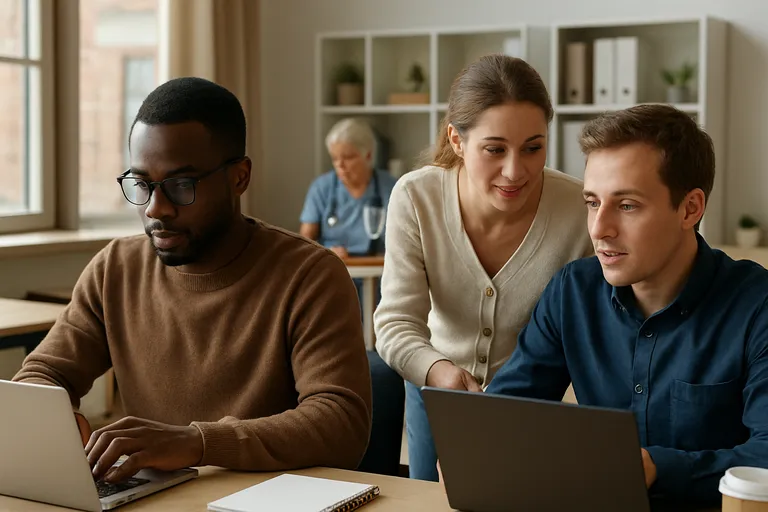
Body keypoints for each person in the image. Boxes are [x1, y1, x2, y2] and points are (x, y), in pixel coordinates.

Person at [12, 77, 372, 484]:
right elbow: (42, 375)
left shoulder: (309, 275)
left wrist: (196, 443)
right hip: (154, 499)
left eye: (181, 185)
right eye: (143, 184)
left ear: (239, 177)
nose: (155, 209)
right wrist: (60, 424)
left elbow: (342, 425)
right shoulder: (115, 268)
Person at [486, 103, 768, 507]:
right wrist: (478, 446)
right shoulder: (572, 292)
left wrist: (656, 467)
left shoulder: (758, 306)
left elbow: (766, 457)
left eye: (627, 205)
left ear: (690, 208)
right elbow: (506, 416)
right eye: (592, 203)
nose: (599, 229)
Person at [373, 54, 593, 482]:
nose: (516, 171)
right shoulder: (416, 198)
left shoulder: (579, 208)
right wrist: (437, 371)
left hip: (532, 406)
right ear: (457, 140)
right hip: (435, 391)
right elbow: (396, 322)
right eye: (495, 149)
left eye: (534, 148)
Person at [299, 117, 398, 260]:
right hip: (332, 267)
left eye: (348, 157)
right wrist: (327, 253)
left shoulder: (391, 187)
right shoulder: (321, 188)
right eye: (335, 158)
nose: (340, 165)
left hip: (378, 272)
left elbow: (403, 240)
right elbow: (305, 240)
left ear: (368, 155)